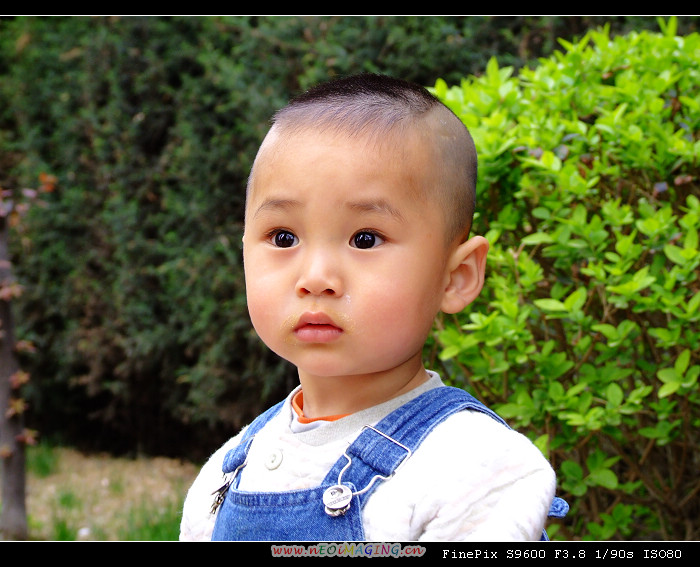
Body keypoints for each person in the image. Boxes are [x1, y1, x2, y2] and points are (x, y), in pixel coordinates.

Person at [179, 73, 566, 542]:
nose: (316, 277)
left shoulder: (474, 467)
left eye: (365, 239)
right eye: (284, 238)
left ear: (456, 276)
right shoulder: (226, 472)